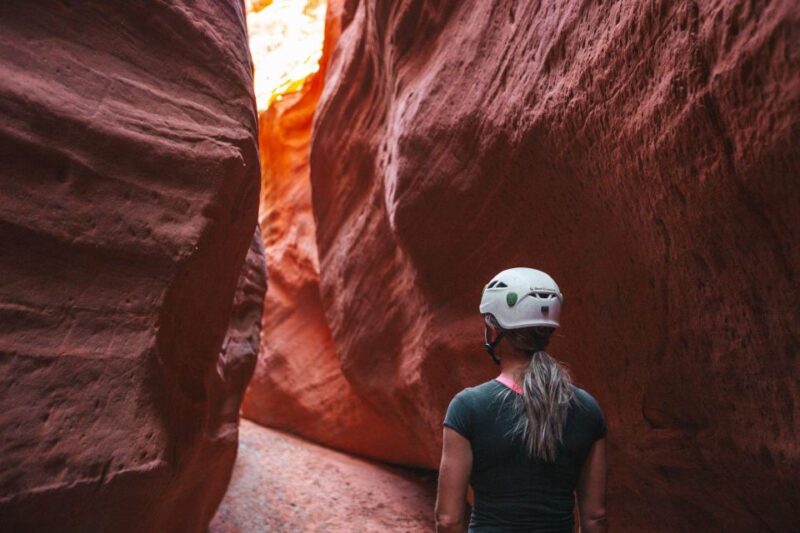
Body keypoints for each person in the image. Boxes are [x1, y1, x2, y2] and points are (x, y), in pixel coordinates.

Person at [435, 267, 608, 532]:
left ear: (493, 329)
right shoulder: (587, 409)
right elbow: (595, 517)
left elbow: (448, 519)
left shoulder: (468, 408)